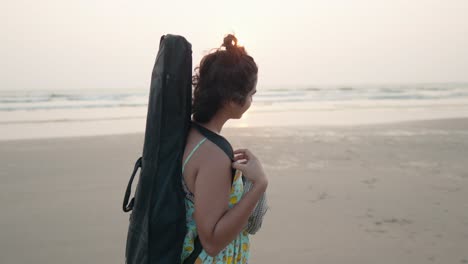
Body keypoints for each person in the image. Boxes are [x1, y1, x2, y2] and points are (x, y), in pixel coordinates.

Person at [180, 34, 268, 264]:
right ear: (231, 99)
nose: (251, 100)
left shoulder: (190, 133)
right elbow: (212, 242)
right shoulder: (213, 155)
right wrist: (259, 185)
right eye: (251, 94)